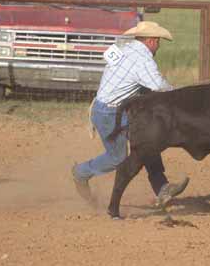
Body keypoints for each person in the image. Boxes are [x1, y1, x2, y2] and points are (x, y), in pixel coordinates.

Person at [72, 21, 189, 214]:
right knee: (117, 158)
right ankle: (81, 172)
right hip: (110, 112)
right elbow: (159, 87)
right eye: (158, 42)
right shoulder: (143, 60)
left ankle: (162, 188)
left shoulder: (122, 47)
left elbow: (124, 77)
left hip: (111, 109)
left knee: (148, 143)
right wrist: (180, 94)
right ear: (152, 41)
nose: (158, 46)